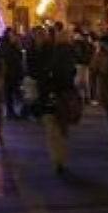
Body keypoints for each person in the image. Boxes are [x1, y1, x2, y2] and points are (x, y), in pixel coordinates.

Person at [30, 26, 77, 175]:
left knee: (56, 127)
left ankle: (59, 158)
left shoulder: (53, 52)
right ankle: (59, 158)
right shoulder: (42, 51)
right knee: (55, 127)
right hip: (53, 94)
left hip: (55, 93)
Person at [0, 28, 24, 118]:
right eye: (12, 35)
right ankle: (11, 111)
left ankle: (14, 111)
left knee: (14, 92)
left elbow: (19, 57)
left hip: (14, 72)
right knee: (11, 93)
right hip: (9, 73)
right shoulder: (6, 47)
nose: (14, 37)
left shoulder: (13, 46)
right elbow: (9, 59)